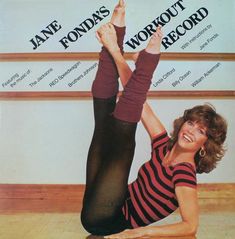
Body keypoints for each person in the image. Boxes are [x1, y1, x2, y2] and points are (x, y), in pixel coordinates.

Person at [81, 1, 227, 238]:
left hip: (110, 220)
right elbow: (138, 102)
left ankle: (140, 57)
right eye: (191, 123)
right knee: (108, 123)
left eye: (201, 131)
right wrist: (117, 49)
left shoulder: (184, 172)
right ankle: (120, 35)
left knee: (120, 137)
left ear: (205, 146)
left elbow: (190, 226)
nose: (191, 130)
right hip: (107, 205)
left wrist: (138, 234)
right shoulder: (163, 148)